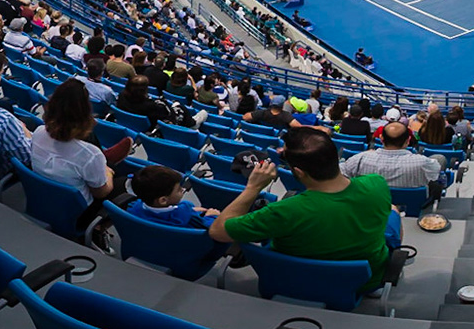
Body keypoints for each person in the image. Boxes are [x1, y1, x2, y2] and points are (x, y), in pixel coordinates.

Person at [209, 127, 396, 294]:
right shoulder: (377, 184)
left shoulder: (283, 211)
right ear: (335, 158)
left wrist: (252, 188)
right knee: (392, 210)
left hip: (292, 281)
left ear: (298, 172)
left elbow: (218, 231)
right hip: (363, 283)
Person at [29, 80, 117, 209]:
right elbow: (101, 193)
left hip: (43, 197)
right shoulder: (91, 154)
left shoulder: (38, 132)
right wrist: (108, 173)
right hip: (76, 210)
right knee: (121, 182)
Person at [340, 120, 446, 190]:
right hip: (414, 209)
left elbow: (340, 172)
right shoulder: (423, 162)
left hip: (369, 207)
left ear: (381, 139)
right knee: (440, 158)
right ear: (408, 141)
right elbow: (436, 172)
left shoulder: (361, 159)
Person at [125, 165, 220, 227]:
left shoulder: (132, 208)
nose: (182, 189)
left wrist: (190, 209)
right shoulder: (186, 217)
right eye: (178, 189)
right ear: (163, 200)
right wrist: (212, 216)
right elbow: (210, 228)